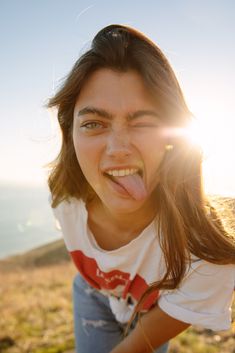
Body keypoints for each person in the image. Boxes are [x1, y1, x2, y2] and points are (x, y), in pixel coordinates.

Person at [47, 24, 235, 353]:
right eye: (93, 123)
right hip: (92, 293)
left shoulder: (207, 250)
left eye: (144, 122)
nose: (118, 148)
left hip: (153, 309)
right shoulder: (64, 199)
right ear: (70, 134)